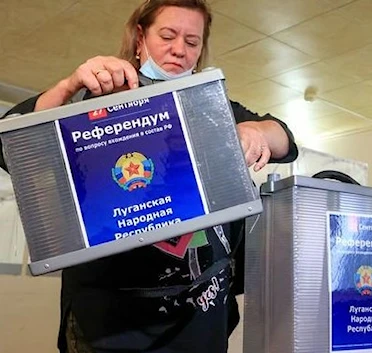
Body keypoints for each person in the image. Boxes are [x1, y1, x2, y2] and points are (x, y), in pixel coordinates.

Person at [0, 0, 298, 352]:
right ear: (140, 38)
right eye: (168, 36)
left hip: (202, 316)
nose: (179, 50)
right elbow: (12, 144)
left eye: (192, 42)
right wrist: (68, 86)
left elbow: (285, 139)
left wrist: (256, 131)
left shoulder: (209, 107)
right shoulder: (98, 96)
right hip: (113, 325)